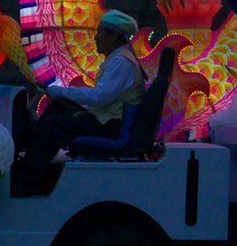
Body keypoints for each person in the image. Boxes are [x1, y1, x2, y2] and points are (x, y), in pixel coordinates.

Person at [15, 10, 146, 193]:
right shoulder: (118, 59)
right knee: (57, 107)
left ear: (114, 36)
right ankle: (32, 152)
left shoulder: (121, 63)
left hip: (110, 124)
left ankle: (28, 181)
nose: (96, 38)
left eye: (100, 32)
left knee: (53, 126)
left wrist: (61, 91)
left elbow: (100, 97)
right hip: (104, 118)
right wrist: (62, 96)